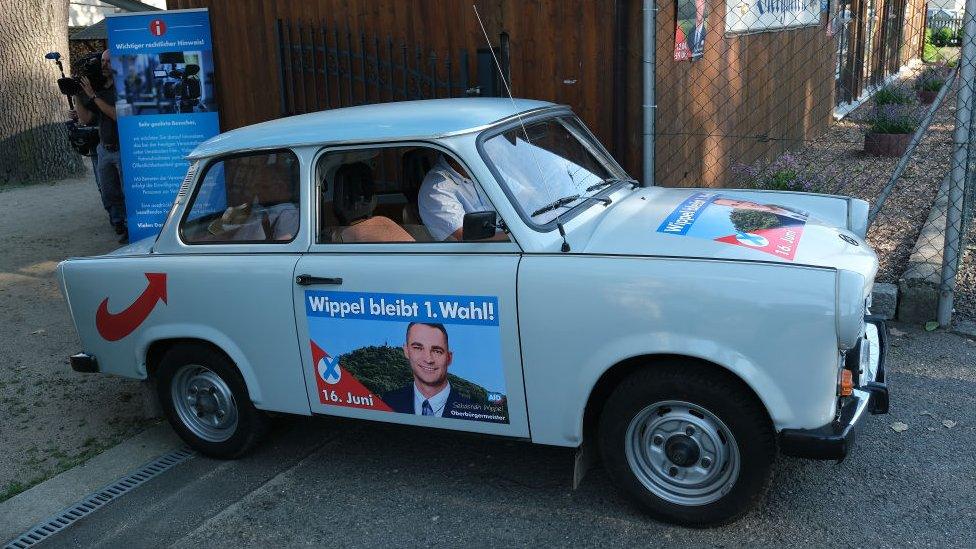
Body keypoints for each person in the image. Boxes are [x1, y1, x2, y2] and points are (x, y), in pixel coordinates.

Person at [75, 50, 127, 243]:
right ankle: (118, 222)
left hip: (123, 148)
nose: (103, 65)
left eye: (108, 61)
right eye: (102, 61)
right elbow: (86, 118)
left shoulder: (124, 87)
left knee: (125, 190)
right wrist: (78, 95)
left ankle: (130, 225)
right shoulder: (100, 88)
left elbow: (116, 115)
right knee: (108, 191)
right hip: (104, 148)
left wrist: (93, 96)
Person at [382, 322, 474, 417]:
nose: (428, 359)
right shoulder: (388, 401)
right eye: (418, 348)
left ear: (449, 358)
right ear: (406, 351)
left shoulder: (476, 414)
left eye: (437, 351)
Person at [417, 154, 506, 242]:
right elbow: (467, 237)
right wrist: (512, 235)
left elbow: (519, 193)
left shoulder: (482, 166)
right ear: (456, 159)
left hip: (505, 240)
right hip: (477, 252)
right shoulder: (437, 188)